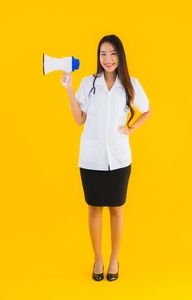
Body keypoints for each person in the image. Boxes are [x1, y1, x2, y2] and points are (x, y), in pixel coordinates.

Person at [61, 34, 152, 281]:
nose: (108, 59)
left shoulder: (131, 84)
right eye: (103, 54)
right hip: (91, 159)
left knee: (116, 209)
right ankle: (98, 259)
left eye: (112, 53)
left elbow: (147, 110)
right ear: (98, 57)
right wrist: (69, 87)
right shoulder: (89, 83)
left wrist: (131, 129)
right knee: (94, 209)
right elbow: (79, 119)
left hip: (120, 159)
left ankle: (114, 259)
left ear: (120, 56)